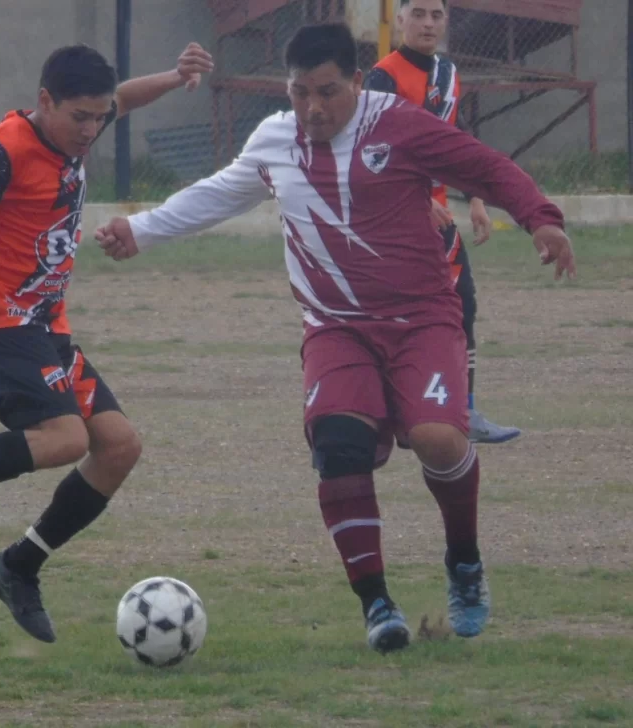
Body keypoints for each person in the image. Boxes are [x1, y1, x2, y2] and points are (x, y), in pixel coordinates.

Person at [95, 23, 575, 652]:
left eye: (327, 92)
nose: (312, 108)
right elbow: (221, 193)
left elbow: (485, 167)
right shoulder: (275, 140)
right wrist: (144, 229)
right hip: (335, 326)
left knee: (437, 438)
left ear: (356, 81)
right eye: (299, 94)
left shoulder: (398, 126)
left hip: (421, 318)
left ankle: (463, 560)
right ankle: (377, 605)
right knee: (338, 444)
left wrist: (542, 219)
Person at [0, 42, 214, 643]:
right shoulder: (0, 152)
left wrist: (176, 79)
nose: (92, 129)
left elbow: (123, 97)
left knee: (119, 448)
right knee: (64, 439)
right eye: (81, 117)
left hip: (43, 329)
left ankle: (17, 566)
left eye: (99, 118)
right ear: (45, 101)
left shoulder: (82, 120)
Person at [365, 0, 521, 445]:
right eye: (418, 14)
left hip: (438, 216)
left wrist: (475, 197)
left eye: (437, 15)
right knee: (397, 315)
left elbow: (456, 144)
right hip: (393, 218)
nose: (428, 23)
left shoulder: (448, 74)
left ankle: (464, 411)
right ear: (399, 20)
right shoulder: (383, 76)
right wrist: (415, 199)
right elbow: (375, 151)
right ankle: (393, 416)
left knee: (461, 305)